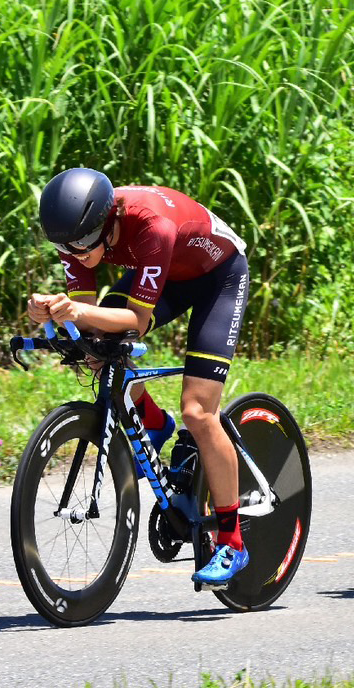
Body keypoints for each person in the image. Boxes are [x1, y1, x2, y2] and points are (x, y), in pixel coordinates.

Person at [27, 167, 253, 587]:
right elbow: (84, 312)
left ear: (102, 223)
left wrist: (77, 312)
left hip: (219, 278)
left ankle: (233, 542)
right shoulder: (77, 234)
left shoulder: (152, 226)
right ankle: (150, 419)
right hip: (172, 274)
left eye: (78, 245)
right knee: (94, 341)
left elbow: (136, 319)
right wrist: (52, 314)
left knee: (199, 412)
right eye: (62, 246)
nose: (71, 254)